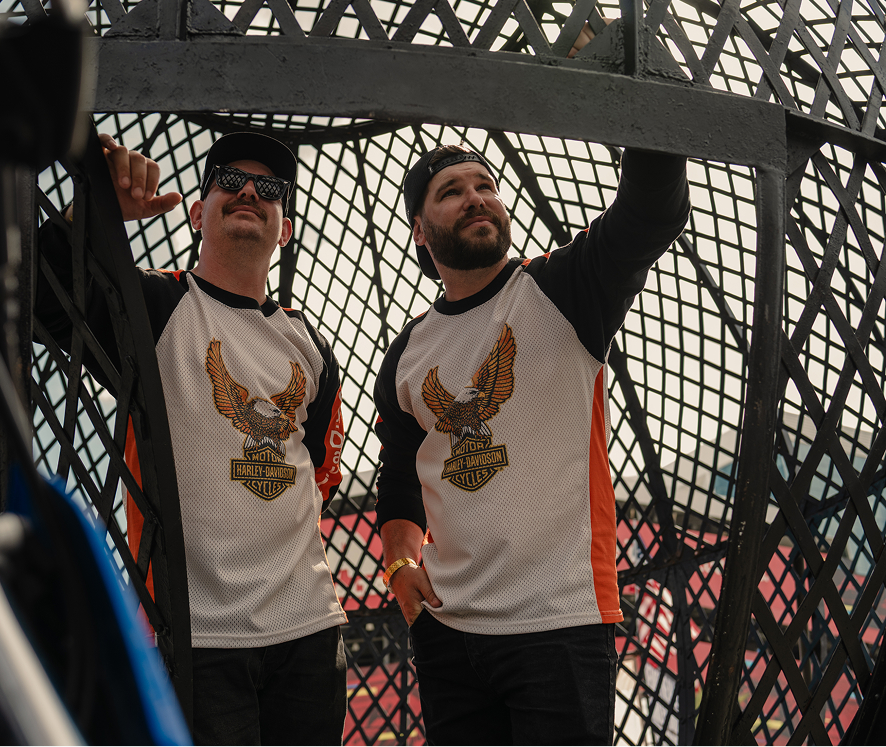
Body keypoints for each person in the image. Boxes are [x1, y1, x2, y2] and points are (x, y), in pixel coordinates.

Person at [35, 131, 348, 744]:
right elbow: (41, 299)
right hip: (197, 631)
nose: (250, 191)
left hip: (309, 629)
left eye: (271, 188)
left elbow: (317, 472)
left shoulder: (307, 344)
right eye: (228, 181)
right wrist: (92, 212)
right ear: (199, 212)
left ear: (284, 228)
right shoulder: (156, 303)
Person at [373, 142, 690, 744]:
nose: (476, 198)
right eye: (452, 192)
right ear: (420, 229)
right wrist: (400, 563)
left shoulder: (565, 285)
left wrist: (629, 99)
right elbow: (399, 477)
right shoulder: (408, 351)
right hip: (449, 632)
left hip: (558, 624)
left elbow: (653, 208)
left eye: (484, 185)